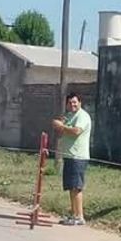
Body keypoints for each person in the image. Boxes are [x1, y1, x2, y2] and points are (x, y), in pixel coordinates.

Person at [51, 93, 92, 226]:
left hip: (78, 156)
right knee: (70, 187)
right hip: (68, 155)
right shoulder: (69, 115)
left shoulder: (82, 116)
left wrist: (62, 126)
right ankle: (74, 214)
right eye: (70, 103)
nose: (72, 105)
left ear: (80, 102)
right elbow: (60, 126)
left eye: (75, 102)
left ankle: (80, 216)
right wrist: (58, 124)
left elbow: (76, 131)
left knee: (76, 186)